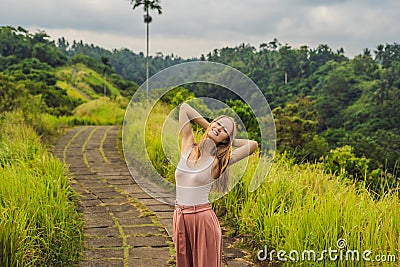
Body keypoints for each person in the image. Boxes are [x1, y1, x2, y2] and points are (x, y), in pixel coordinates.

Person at [173, 102, 258, 267]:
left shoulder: (219, 162)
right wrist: (211, 128)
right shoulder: (188, 146)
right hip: (180, 217)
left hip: (202, 220)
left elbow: (252, 144)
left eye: (224, 129)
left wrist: (226, 139)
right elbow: (184, 108)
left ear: (226, 139)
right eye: (218, 123)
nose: (219, 127)